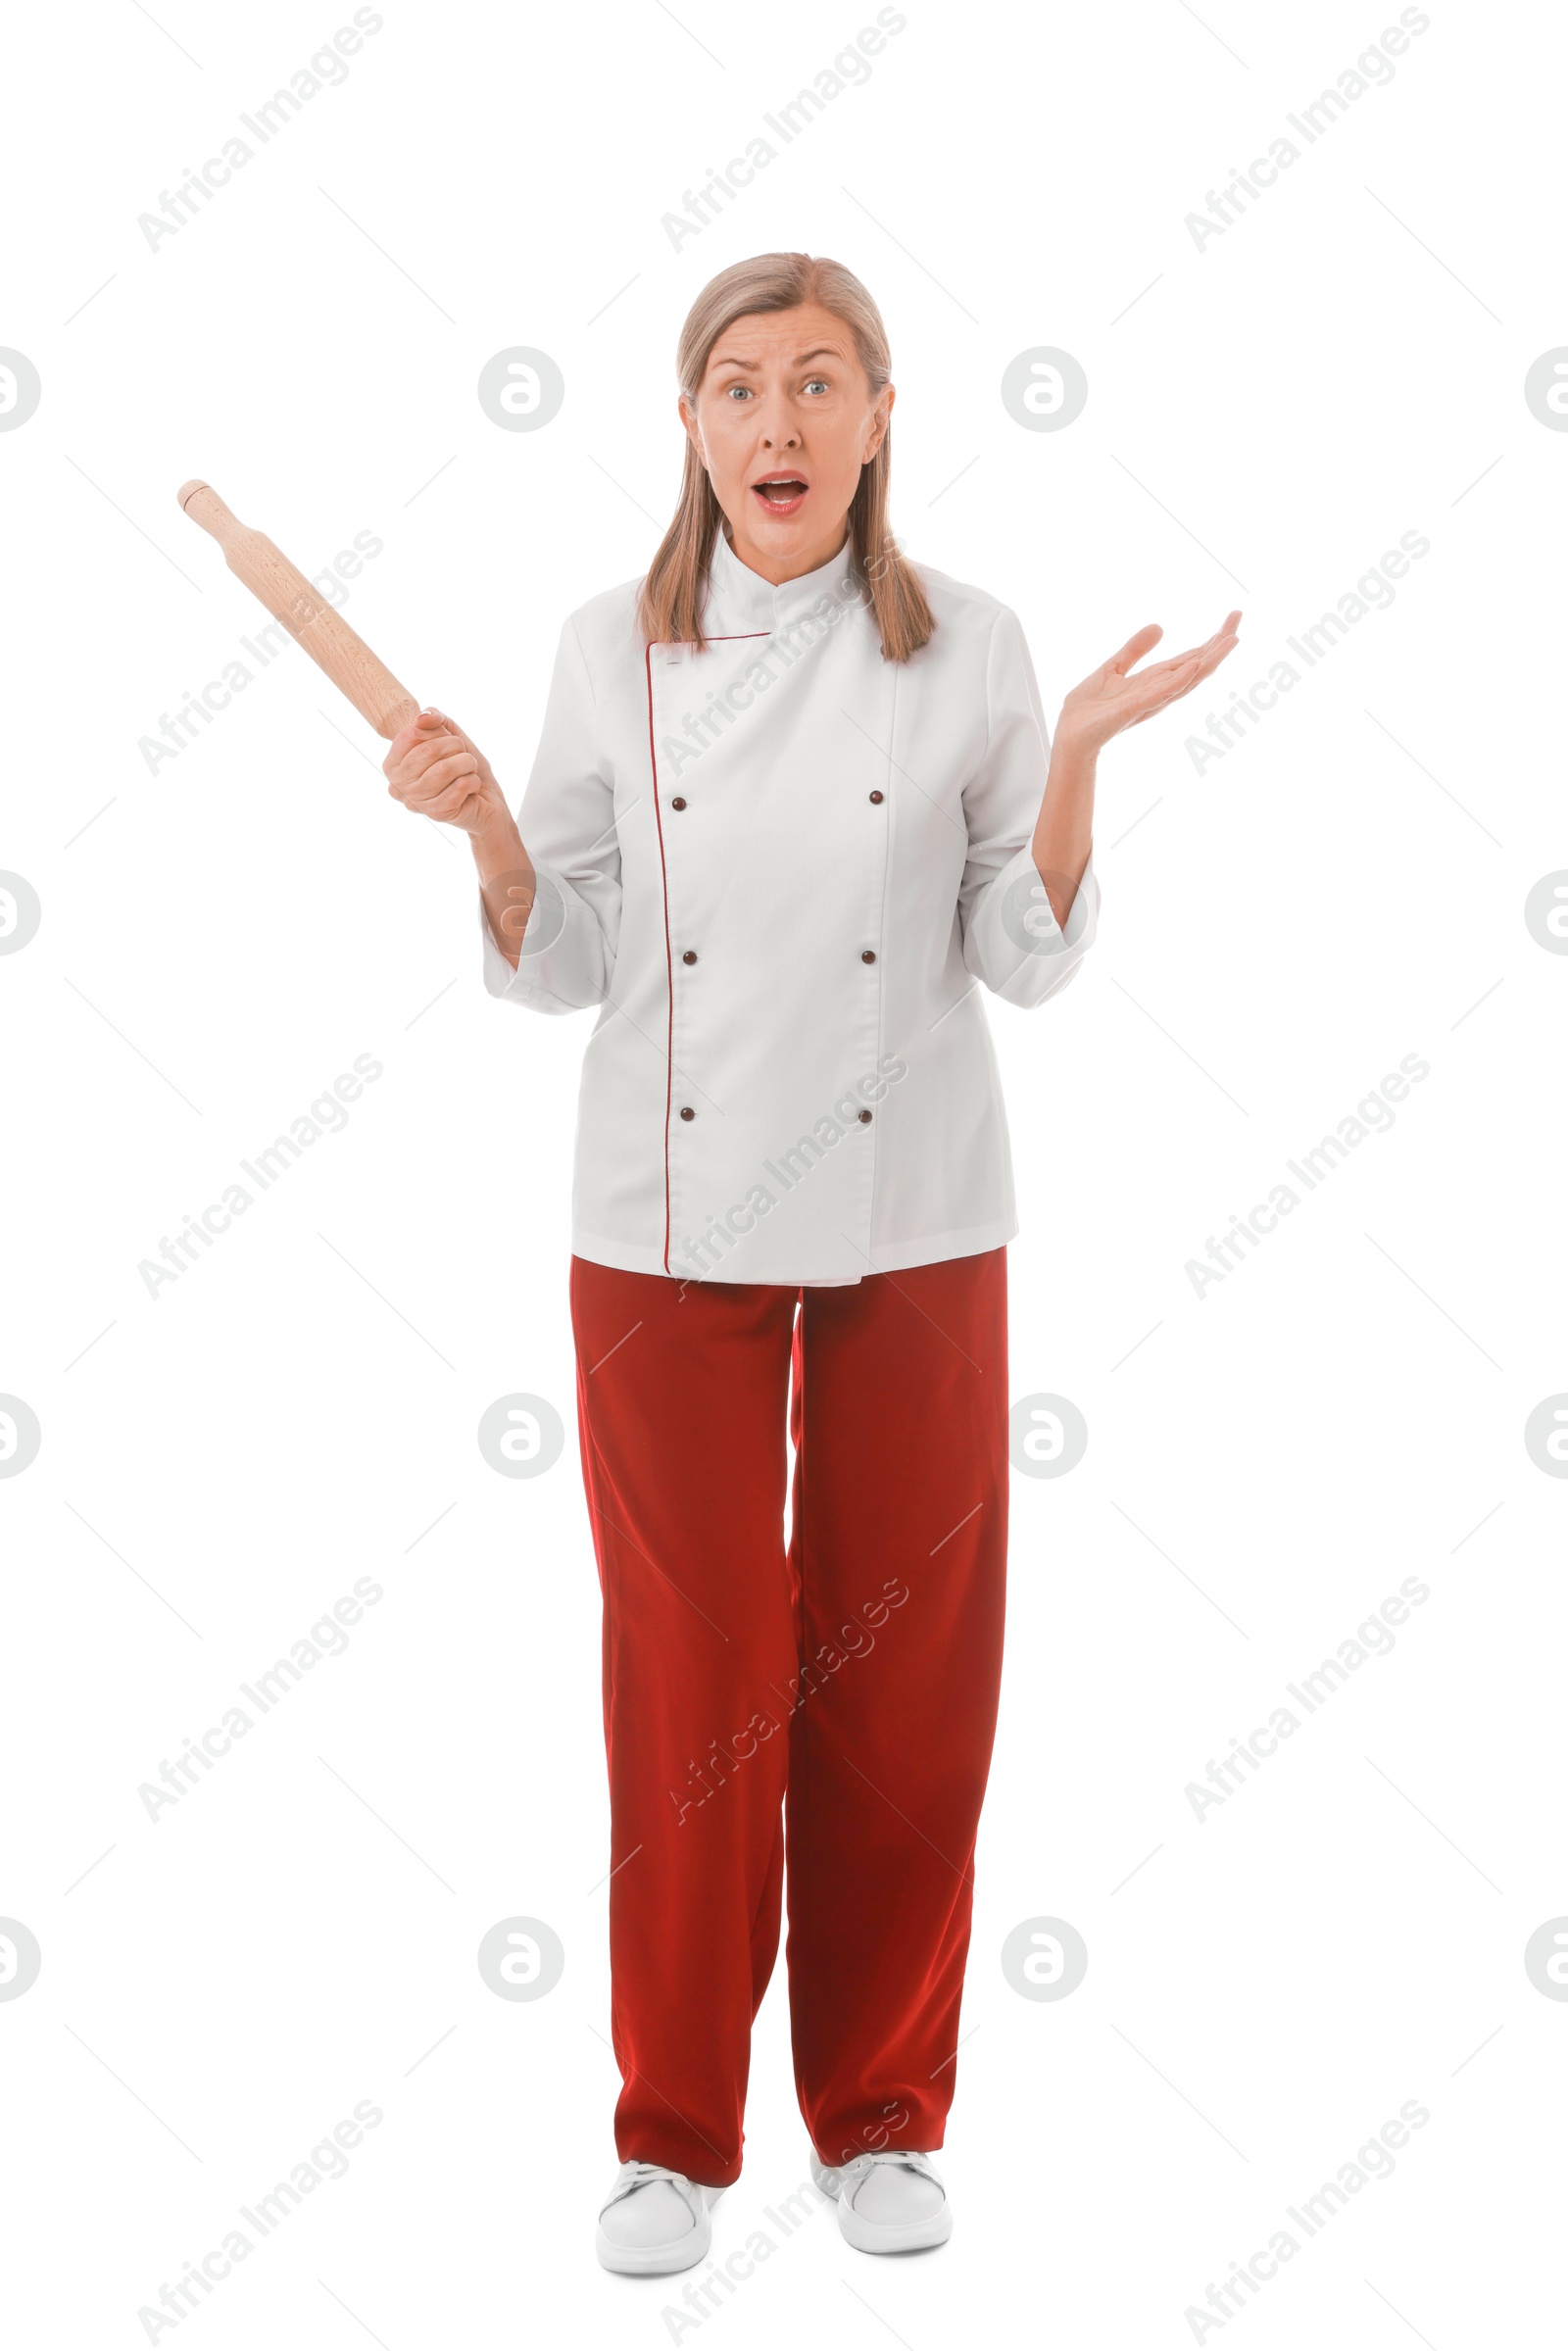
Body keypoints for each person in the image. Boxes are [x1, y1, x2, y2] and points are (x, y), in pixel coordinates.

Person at [382, 251, 1239, 2273]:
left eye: (820, 384)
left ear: (877, 421)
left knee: (905, 1675)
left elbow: (1020, 963)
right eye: (740, 387)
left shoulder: (975, 649)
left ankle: (878, 2116)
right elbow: (568, 953)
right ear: (688, 428)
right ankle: (670, 2135)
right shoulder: (610, 647)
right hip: (659, 1230)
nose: (778, 422)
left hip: (915, 1212)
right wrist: (488, 839)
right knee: (694, 1677)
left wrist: (1084, 767)